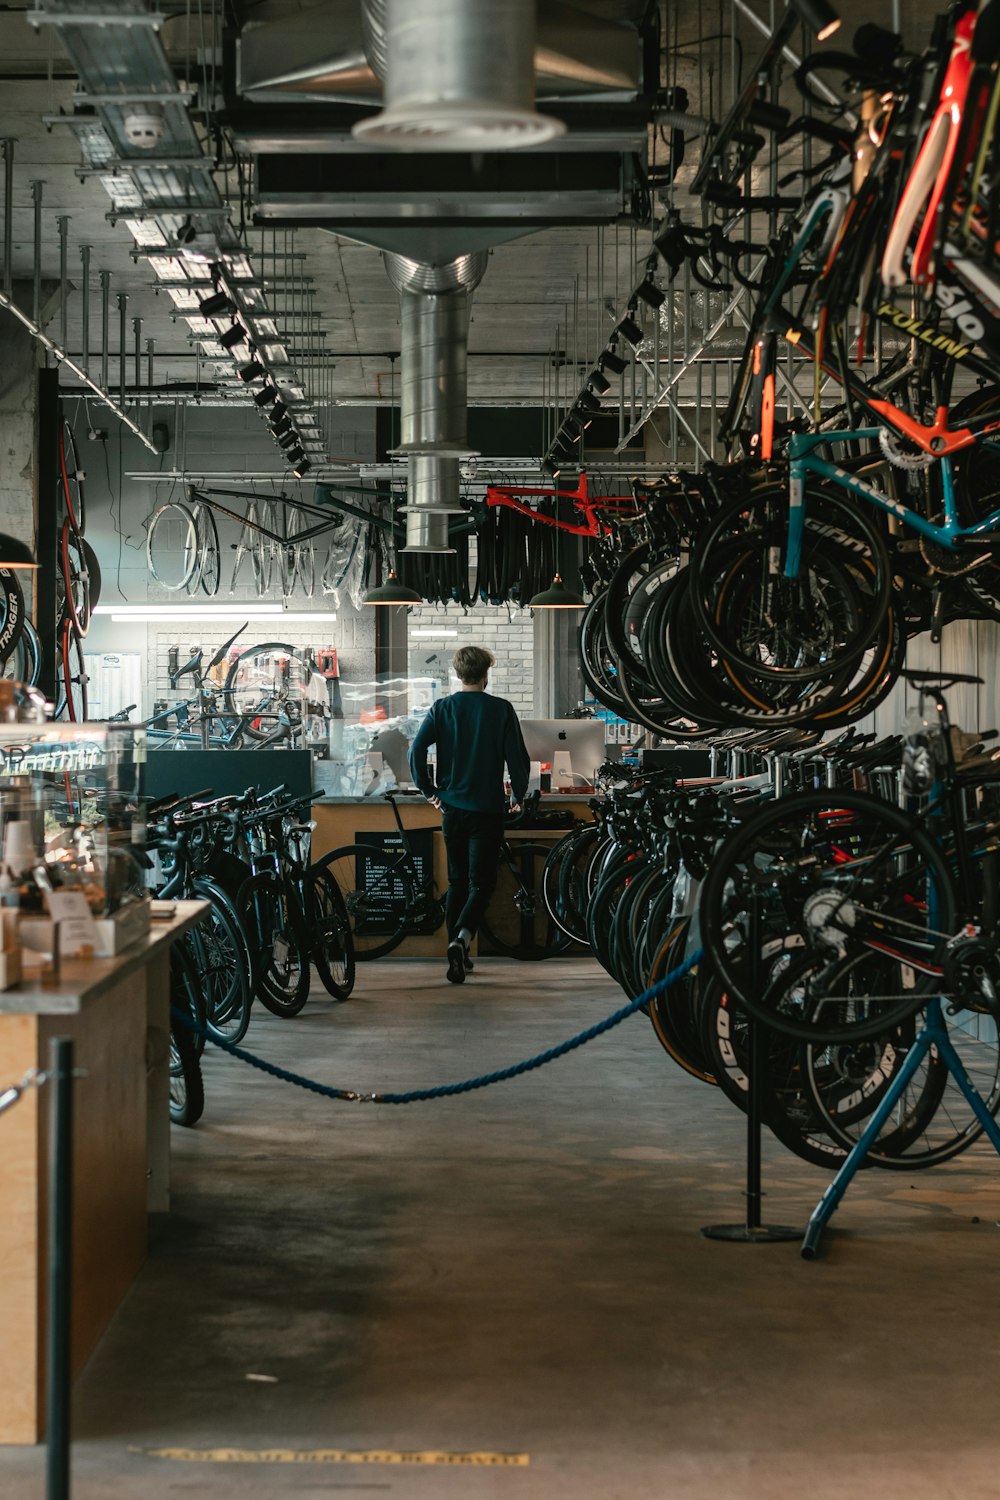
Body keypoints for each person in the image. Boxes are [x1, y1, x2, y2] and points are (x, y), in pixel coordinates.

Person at [408, 645, 530, 985]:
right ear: (486, 674)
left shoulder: (442, 708)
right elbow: (517, 757)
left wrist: (429, 790)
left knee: (458, 881)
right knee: (483, 883)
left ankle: (454, 946)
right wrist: (518, 793)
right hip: (487, 811)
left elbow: (416, 749)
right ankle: (462, 940)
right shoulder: (501, 710)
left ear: (458, 674)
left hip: (452, 810)